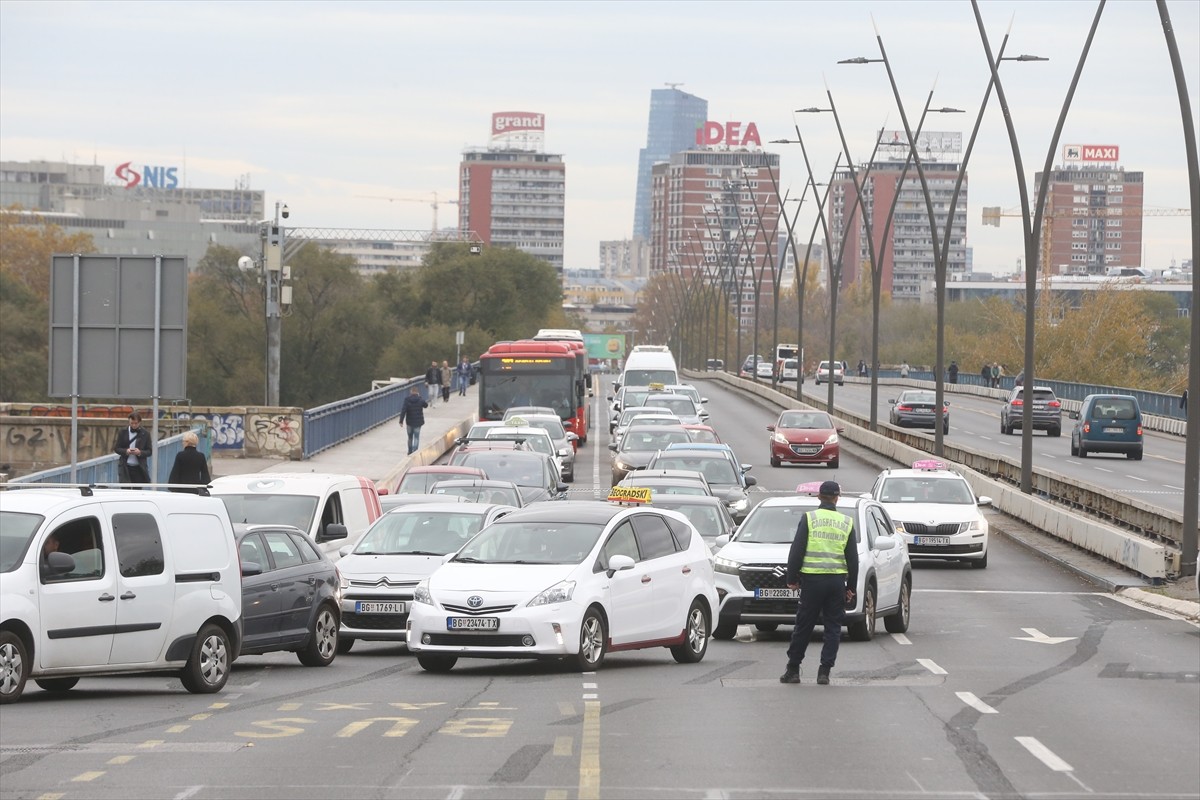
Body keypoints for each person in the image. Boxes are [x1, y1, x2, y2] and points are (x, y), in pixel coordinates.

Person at [780, 480, 859, 686]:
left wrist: (791, 578)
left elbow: (796, 550)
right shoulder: (846, 522)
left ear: (818, 497)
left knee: (804, 625)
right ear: (837, 498)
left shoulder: (809, 518)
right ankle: (824, 672)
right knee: (833, 627)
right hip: (835, 581)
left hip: (813, 580)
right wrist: (851, 587)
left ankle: (793, 669)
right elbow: (852, 559)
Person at [114, 411, 152, 485]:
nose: (134, 425)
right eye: (131, 423)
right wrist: (126, 451)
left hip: (139, 468)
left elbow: (149, 451)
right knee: (125, 490)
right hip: (125, 467)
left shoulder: (145, 433)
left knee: (137, 491)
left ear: (140, 422)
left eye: (136, 423)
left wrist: (140, 452)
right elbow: (116, 448)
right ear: (129, 421)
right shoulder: (122, 432)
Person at [398, 386, 428, 455]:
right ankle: (415, 452)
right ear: (417, 392)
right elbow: (426, 405)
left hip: (409, 422)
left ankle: (410, 451)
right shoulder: (420, 399)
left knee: (410, 437)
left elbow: (403, 410)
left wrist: (401, 421)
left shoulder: (407, 400)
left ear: (411, 392)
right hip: (418, 422)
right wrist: (420, 397)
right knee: (416, 437)